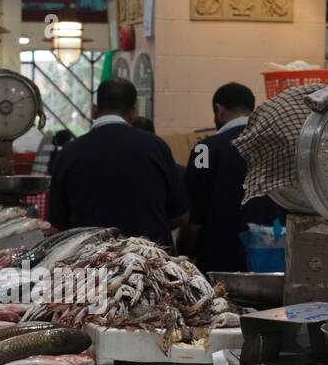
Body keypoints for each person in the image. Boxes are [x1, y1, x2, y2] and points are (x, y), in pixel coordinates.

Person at [49, 78, 188, 247]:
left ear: (94, 110)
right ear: (132, 114)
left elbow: (58, 223)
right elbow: (180, 215)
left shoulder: (69, 153)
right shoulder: (157, 147)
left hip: (91, 261)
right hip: (149, 262)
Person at [184, 82, 285, 274]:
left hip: (219, 259)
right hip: (272, 258)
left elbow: (194, 212)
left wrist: (185, 249)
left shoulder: (204, 149)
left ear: (218, 109)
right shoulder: (277, 147)